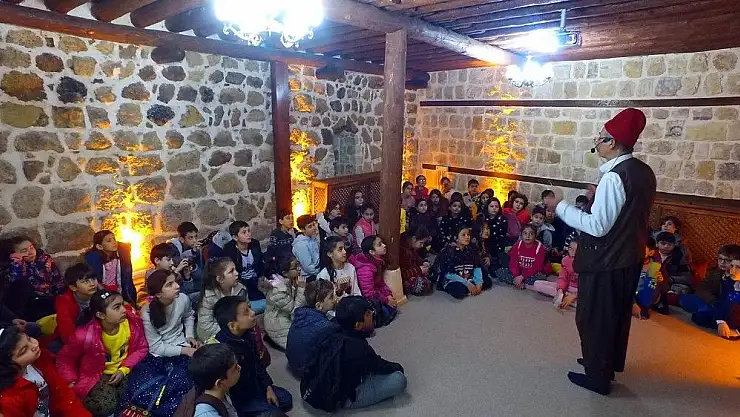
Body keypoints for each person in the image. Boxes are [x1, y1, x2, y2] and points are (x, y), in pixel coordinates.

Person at [544, 107, 657, 395]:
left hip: (607, 259)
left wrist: (561, 206)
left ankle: (597, 376)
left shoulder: (614, 177)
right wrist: (600, 197)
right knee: (614, 315)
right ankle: (604, 363)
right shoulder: (643, 171)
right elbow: (628, 212)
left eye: (601, 136)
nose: (597, 141)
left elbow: (598, 226)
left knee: (594, 316)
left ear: (612, 142)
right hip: (629, 255)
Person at [300, 296, 407, 412]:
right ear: (358, 325)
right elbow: (381, 366)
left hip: (315, 383)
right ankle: (350, 402)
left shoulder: (332, 326)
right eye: (367, 314)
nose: (372, 314)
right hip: (342, 395)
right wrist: (399, 367)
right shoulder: (357, 348)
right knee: (399, 379)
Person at [57, 290, 148, 417]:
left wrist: (124, 369)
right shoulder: (85, 336)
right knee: (105, 407)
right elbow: (65, 359)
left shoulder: (132, 323)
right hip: (98, 373)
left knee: (141, 394)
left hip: (125, 367)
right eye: (117, 307)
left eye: (122, 304)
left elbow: (142, 348)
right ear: (101, 315)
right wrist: (70, 381)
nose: (124, 310)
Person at [120, 270, 199, 417]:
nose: (177, 286)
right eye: (169, 284)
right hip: (158, 355)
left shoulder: (182, 299)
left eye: (175, 282)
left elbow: (189, 315)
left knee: (182, 384)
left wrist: (189, 335)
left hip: (181, 346)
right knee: (147, 389)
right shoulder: (147, 313)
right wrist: (185, 351)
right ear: (158, 294)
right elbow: (156, 346)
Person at [211, 296, 293, 415]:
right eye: (246, 312)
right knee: (273, 413)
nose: (253, 313)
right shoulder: (223, 352)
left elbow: (258, 364)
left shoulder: (248, 335)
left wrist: (268, 387)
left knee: (286, 399)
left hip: (256, 387)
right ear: (233, 325)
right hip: (242, 399)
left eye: (249, 308)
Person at [0, 325, 91, 417]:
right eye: (24, 351)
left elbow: (63, 396)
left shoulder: (40, 360)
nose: (35, 345)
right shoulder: (8, 400)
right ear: (6, 365)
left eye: (29, 339)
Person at [4, 236, 64, 321]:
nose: (30, 252)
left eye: (31, 247)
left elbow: (57, 279)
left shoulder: (45, 259)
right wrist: (18, 264)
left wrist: (61, 295)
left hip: (50, 297)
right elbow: (17, 284)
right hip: (31, 302)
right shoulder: (14, 266)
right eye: (24, 250)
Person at [286, 280, 338, 377]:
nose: (335, 299)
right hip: (306, 371)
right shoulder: (325, 326)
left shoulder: (301, 314)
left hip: (294, 364)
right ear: (318, 305)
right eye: (331, 297)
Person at [173, 343, 241, 417]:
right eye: (235, 368)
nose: (239, 368)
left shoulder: (213, 388)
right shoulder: (208, 414)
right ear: (219, 383)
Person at [349, 236, 398, 327]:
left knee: (393, 306)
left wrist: (387, 294)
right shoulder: (365, 269)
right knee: (386, 313)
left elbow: (380, 283)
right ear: (371, 252)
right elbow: (368, 293)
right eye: (380, 245)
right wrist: (386, 300)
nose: (384, 245)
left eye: (382, 243)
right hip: (367, 297)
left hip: (375, 293)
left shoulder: (376, 261)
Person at [258, 256, 306, 349]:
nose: (299, 269)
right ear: (285, 273)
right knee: (304, 347)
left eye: (298, 265)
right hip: (279, 325)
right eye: (295, 267)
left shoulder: (289, 280)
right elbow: (295, 310)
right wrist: (301, 288)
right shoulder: (277, 291)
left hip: (287, 316)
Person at [690, 256, 740, 340]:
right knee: (698, 316)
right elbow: (723, 302)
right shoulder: (730, 282)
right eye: (731, 266)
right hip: (725, 311)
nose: (733, 271)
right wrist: (721, 321)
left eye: (738, 267)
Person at [197, 257, 246, 342]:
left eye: (235, 269)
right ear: (220, 279)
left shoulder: (241, 289)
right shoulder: (209, 297)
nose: (237, 273)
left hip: (236, 328)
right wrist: (232, 330)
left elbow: (246, 311)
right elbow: (205, 327)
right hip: (215, 334)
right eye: (231, 271)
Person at [682, 244, 740, 314]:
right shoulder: (715, 272)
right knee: (687, 299)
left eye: (727, 260)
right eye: (720, 259)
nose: (722, 262)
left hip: (728, 307)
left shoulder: (737, 278)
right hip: (713, 302)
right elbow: (702, 287)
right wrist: (712, 302)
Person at [84, 230, 136, 307]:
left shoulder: (120, 256)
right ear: (100, 246)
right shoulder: (95, 260)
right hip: (104, 290)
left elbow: (126, 278)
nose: (114, 242)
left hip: (119, 288)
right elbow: (96, 279)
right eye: (109, 241)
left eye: (114, 239)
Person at [436, 225, 491, 299]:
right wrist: (467, 283)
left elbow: (476, 267)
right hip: (453, 278)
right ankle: (469, 287)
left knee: (487, 281)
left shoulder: (472, 249)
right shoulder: (448, 251)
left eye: (468, 235)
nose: (467, 237)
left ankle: (471, 286)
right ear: (456, 238)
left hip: (467, 276)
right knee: (459, 290)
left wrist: (479, 282)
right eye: (463, 235)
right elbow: (448, 274)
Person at [223, 221, 266, 314]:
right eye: (244, 232)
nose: (248, 234)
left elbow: (260, 264)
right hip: (241, 282)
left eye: (249, 231)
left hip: (256, 281)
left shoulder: (255, 244)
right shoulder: (229, 249)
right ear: (235, 237)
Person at [54, 263, 99, 345]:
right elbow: (67, 333)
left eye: (93, 278)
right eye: (85, 281)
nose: (92, 284)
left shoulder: (101, 291)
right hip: (74, 338)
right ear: (73, 287)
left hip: (96, 333)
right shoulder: (64, 301)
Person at [495, 224, 550, 289]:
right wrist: (516, 276)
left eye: (531, 234)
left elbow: (537, 267)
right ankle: (519, 282)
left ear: (535, 235)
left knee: (541, 277)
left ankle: (522, 283)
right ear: (521, 235)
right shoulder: (517, 245)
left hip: (532, 272)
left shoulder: (539, 248)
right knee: (500, 272)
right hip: (519, 270)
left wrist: (523, 276)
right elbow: (513, 263)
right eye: (525, 233)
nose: (528, 236)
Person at [533, 240, 580, 310]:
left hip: (580, 290)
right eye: (571, 248)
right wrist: (560, 290)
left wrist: (574, 295)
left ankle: (571, 300)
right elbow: (562, 278)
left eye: (576, 250)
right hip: (567, 287)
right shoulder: (565, 260)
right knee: (537, 284)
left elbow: (588, 286)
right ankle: (566, 298)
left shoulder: (586, 263)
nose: (573, 252)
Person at [633, 238, 665, 319]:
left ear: (651, 252)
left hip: (646, 296)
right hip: (632, 295)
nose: (638, 251)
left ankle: (643, 308)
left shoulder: (655, 266)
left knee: (650, 281)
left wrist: (660, 281)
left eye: (642, 249)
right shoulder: (632, 263)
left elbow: (658, 287)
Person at [168, 222, 204, 295]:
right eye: (190, 238)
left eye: (195, 237)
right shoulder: (173, 247)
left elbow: (199, 269)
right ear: (182, 239)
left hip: (189, 278)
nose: (194, 240)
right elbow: (176, 261)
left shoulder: (192, 247)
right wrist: (192, 253)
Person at [654, 231, 693, 299]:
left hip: (670, 283)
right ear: (657, 244)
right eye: (663, 243)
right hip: (651, 280)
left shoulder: (678, 257)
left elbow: (687, 278)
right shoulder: (651, 254)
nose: (666, 246)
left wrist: (670, 279)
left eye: (669, 244)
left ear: (674, 245)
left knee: (684, 289)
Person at [399, 226, 432, 296]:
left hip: (412, 270)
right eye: (421, 243)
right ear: (414, 239)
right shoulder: (402, 250)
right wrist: (418, 270)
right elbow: (402, 274)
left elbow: (416, 257)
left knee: (430, 271)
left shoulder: (410, 246)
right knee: (422, 284)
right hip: (404, 277)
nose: (422, 246)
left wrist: (423, 262)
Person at [292, 214, 321, 282]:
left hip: (316, 270)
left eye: (313, 225)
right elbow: (307, 267)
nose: (314, 228)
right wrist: (320, 272)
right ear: (302, 229)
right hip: (308, 277)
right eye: (310, 226)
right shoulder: (301, 244)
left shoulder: (312, 238)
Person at [479, 198, 508, 265]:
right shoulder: (481, 218)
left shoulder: (502, 220)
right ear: (487, 207)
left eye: (496, 206)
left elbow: (502, 237)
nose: (494, 208)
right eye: (491, 206)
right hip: (482, 246)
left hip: (497, 246)